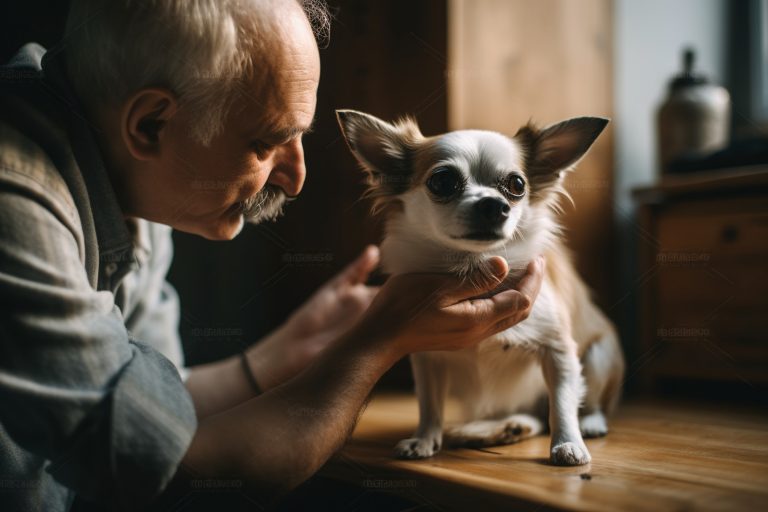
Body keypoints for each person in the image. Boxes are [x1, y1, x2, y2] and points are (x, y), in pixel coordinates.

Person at [0, 1, 544, 510]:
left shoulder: (129, 185)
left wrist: (284, 352)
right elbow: (188, 473)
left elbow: (148, 413)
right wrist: (379, 342)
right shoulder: (16, 200)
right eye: (267, 142)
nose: (295, 177)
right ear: (151, 124)